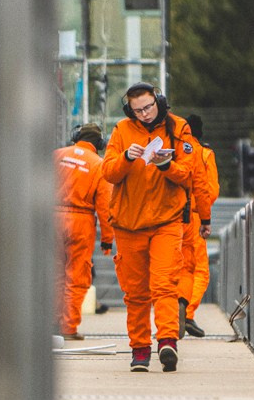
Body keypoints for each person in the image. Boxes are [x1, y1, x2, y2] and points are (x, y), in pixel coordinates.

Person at [102, 84, 197, 372]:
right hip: (129, 224)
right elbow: (108, 172)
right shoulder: (121, 131)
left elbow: (189, 175)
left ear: (159, 101)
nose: (144, 114)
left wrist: (166, 165)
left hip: (166, 221)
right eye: (137, 110)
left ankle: (167, 341)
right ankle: (140, 349)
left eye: (148, 107)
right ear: (129, 110)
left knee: (164, 285)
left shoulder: (179, 128)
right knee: (135, 293)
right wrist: (127, 158)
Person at [54, 124, 111, 339]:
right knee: (77, 277)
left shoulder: (56, 155)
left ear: (75, 137)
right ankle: (68, 328)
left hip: (52, 218)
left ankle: (51, 324)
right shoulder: (99, 165)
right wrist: (107, 239)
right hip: (81, 220)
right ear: (100, 144)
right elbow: (105, 207)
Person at [178, 114, 220, 338]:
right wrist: (204, 214)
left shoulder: (176, 150)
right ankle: (187, 312)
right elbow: (210, 190)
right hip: (194, 216)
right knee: (199, 270)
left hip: (173, 217)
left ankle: (173, 312)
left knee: (176, 268)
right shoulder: (204, 154)